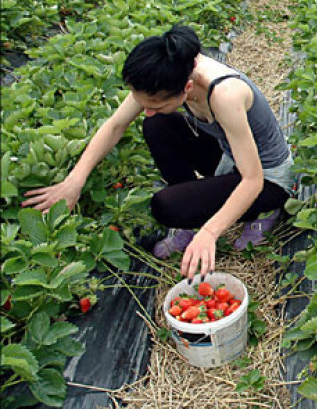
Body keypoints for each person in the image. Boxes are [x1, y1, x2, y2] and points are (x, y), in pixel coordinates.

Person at [22, 25, 294, 279]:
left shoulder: (225, 94)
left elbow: (252, 179)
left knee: (166, 207)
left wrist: (210, 232)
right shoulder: (169, 71)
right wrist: (74, 180)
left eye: (155, 103)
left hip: (266, 178)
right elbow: (116, 125)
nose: (146, 108)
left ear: (187, 89)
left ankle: (264, 211)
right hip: (230, 158)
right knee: (157, 124)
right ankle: (194, 216)